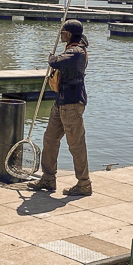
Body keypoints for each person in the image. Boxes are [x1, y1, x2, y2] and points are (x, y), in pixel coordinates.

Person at [27, 19, 92, 196]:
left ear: (69, 34)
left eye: (63, 32)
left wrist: (51, 57)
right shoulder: (73, 47)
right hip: (61, 102)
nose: (60, 35)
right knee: (50, 138)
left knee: (76, 144)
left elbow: (55, 61)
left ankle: (84, 183)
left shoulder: (77, 51)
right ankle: (48, 178)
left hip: (72, 104)